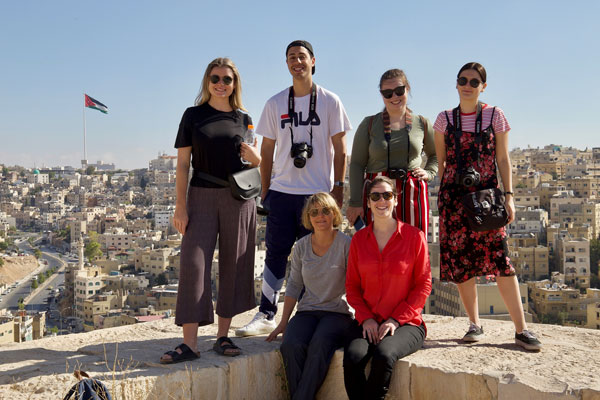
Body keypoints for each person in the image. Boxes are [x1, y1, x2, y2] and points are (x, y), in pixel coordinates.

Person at [235, 40, 352, 337]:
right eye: (291, 58)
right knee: (276, 252)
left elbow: (341, 150)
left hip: (317, 192)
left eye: (302, 57)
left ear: (313, 61)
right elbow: (268, 150)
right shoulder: (275, 103)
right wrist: (265, 191)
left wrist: (338, 187)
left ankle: (308, 311)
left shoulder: (330, 101)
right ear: (286, 64)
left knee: (316, 254)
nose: (296, 62)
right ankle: (266, 313)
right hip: (283, 190)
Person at [433, 62, 542, 351]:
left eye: (474, 81)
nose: (467, 85)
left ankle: (521, 330)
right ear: (456, 84)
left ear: (483, 86)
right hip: (454, 200)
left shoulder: (495, 115)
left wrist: (509, 195)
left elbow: (503, 159)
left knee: (501, 261)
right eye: (462, 80)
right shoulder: (443, 120)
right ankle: (474, 323)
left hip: (488, 199)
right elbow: (442, 165)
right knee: (462, 265)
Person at [160, 57, 261, 363]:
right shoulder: (193, 116)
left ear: (235, 84)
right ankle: (189, 345)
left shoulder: (244, 119)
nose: (221, 83)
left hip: (238, 198)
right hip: (201, 195)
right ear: (207, 81)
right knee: (193, 265)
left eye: (227, 79)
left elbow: (256, 164)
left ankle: (223, 336)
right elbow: (182, 165)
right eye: (215, 78)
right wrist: (180, 205)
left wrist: (256, 157)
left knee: (234, 263)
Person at [343, 176, 431, 400]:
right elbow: (351, 287)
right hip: (369, 320)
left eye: (387, 195)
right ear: (369, 203)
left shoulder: (414, 237)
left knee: (384, 356)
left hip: (407, 323)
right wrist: (366, 318)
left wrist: (395, 320)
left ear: (395, 199)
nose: (382, 201)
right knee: (353, 358)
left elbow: (423, 285)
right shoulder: (359, 240)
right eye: (375, 196)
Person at [266, 192, 353, 400]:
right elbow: (294, 285)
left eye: (325, 211)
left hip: (337, 313)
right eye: (314, 212)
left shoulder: (346, 244)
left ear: (334, 214)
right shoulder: (302, 246)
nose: (320, 216)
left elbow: (355, 284)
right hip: (307, 311)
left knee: (319, 345)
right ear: (308, 217)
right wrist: (283, 322)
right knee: (291, 345)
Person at [347, 69, 437, 233]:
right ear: (381, 95)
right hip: (377, 195)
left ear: (407, 89)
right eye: (387, 93)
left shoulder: (422, 123)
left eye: (399, 91)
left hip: (412, 194)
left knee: (413, 247)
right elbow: (357, 164)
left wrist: (429, 172)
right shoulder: (369, 124)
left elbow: (435, 155)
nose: (394, 97)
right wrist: (355, 202)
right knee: (376, 250)